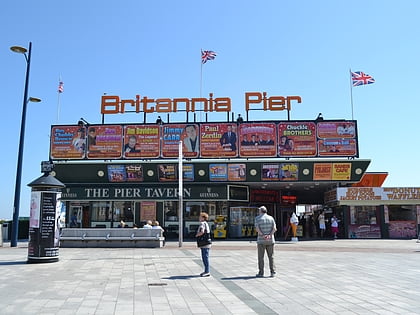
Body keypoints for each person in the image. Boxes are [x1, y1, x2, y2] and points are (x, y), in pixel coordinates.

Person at [254, 206, 277, 277]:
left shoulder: (257, 218)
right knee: (271, 256)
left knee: (261, 257)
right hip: (270, 240)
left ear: (260, 211)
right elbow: (274, 229)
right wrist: (269, 235)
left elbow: (257, 229)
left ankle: (261, 272)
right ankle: (272, 272)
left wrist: (263, 235)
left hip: (261, 240)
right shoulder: (271, 218)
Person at [196, 212, 211, 277]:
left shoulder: (202, 223)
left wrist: (197, 235)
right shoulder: (206, 223)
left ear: (203, 218)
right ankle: (206, 270)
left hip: (204, 243)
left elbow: (202, 231)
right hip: (207, 242)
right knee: (205, 256)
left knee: (205, 257)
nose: (199, 218)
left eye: (200, 217)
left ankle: (207, 271)